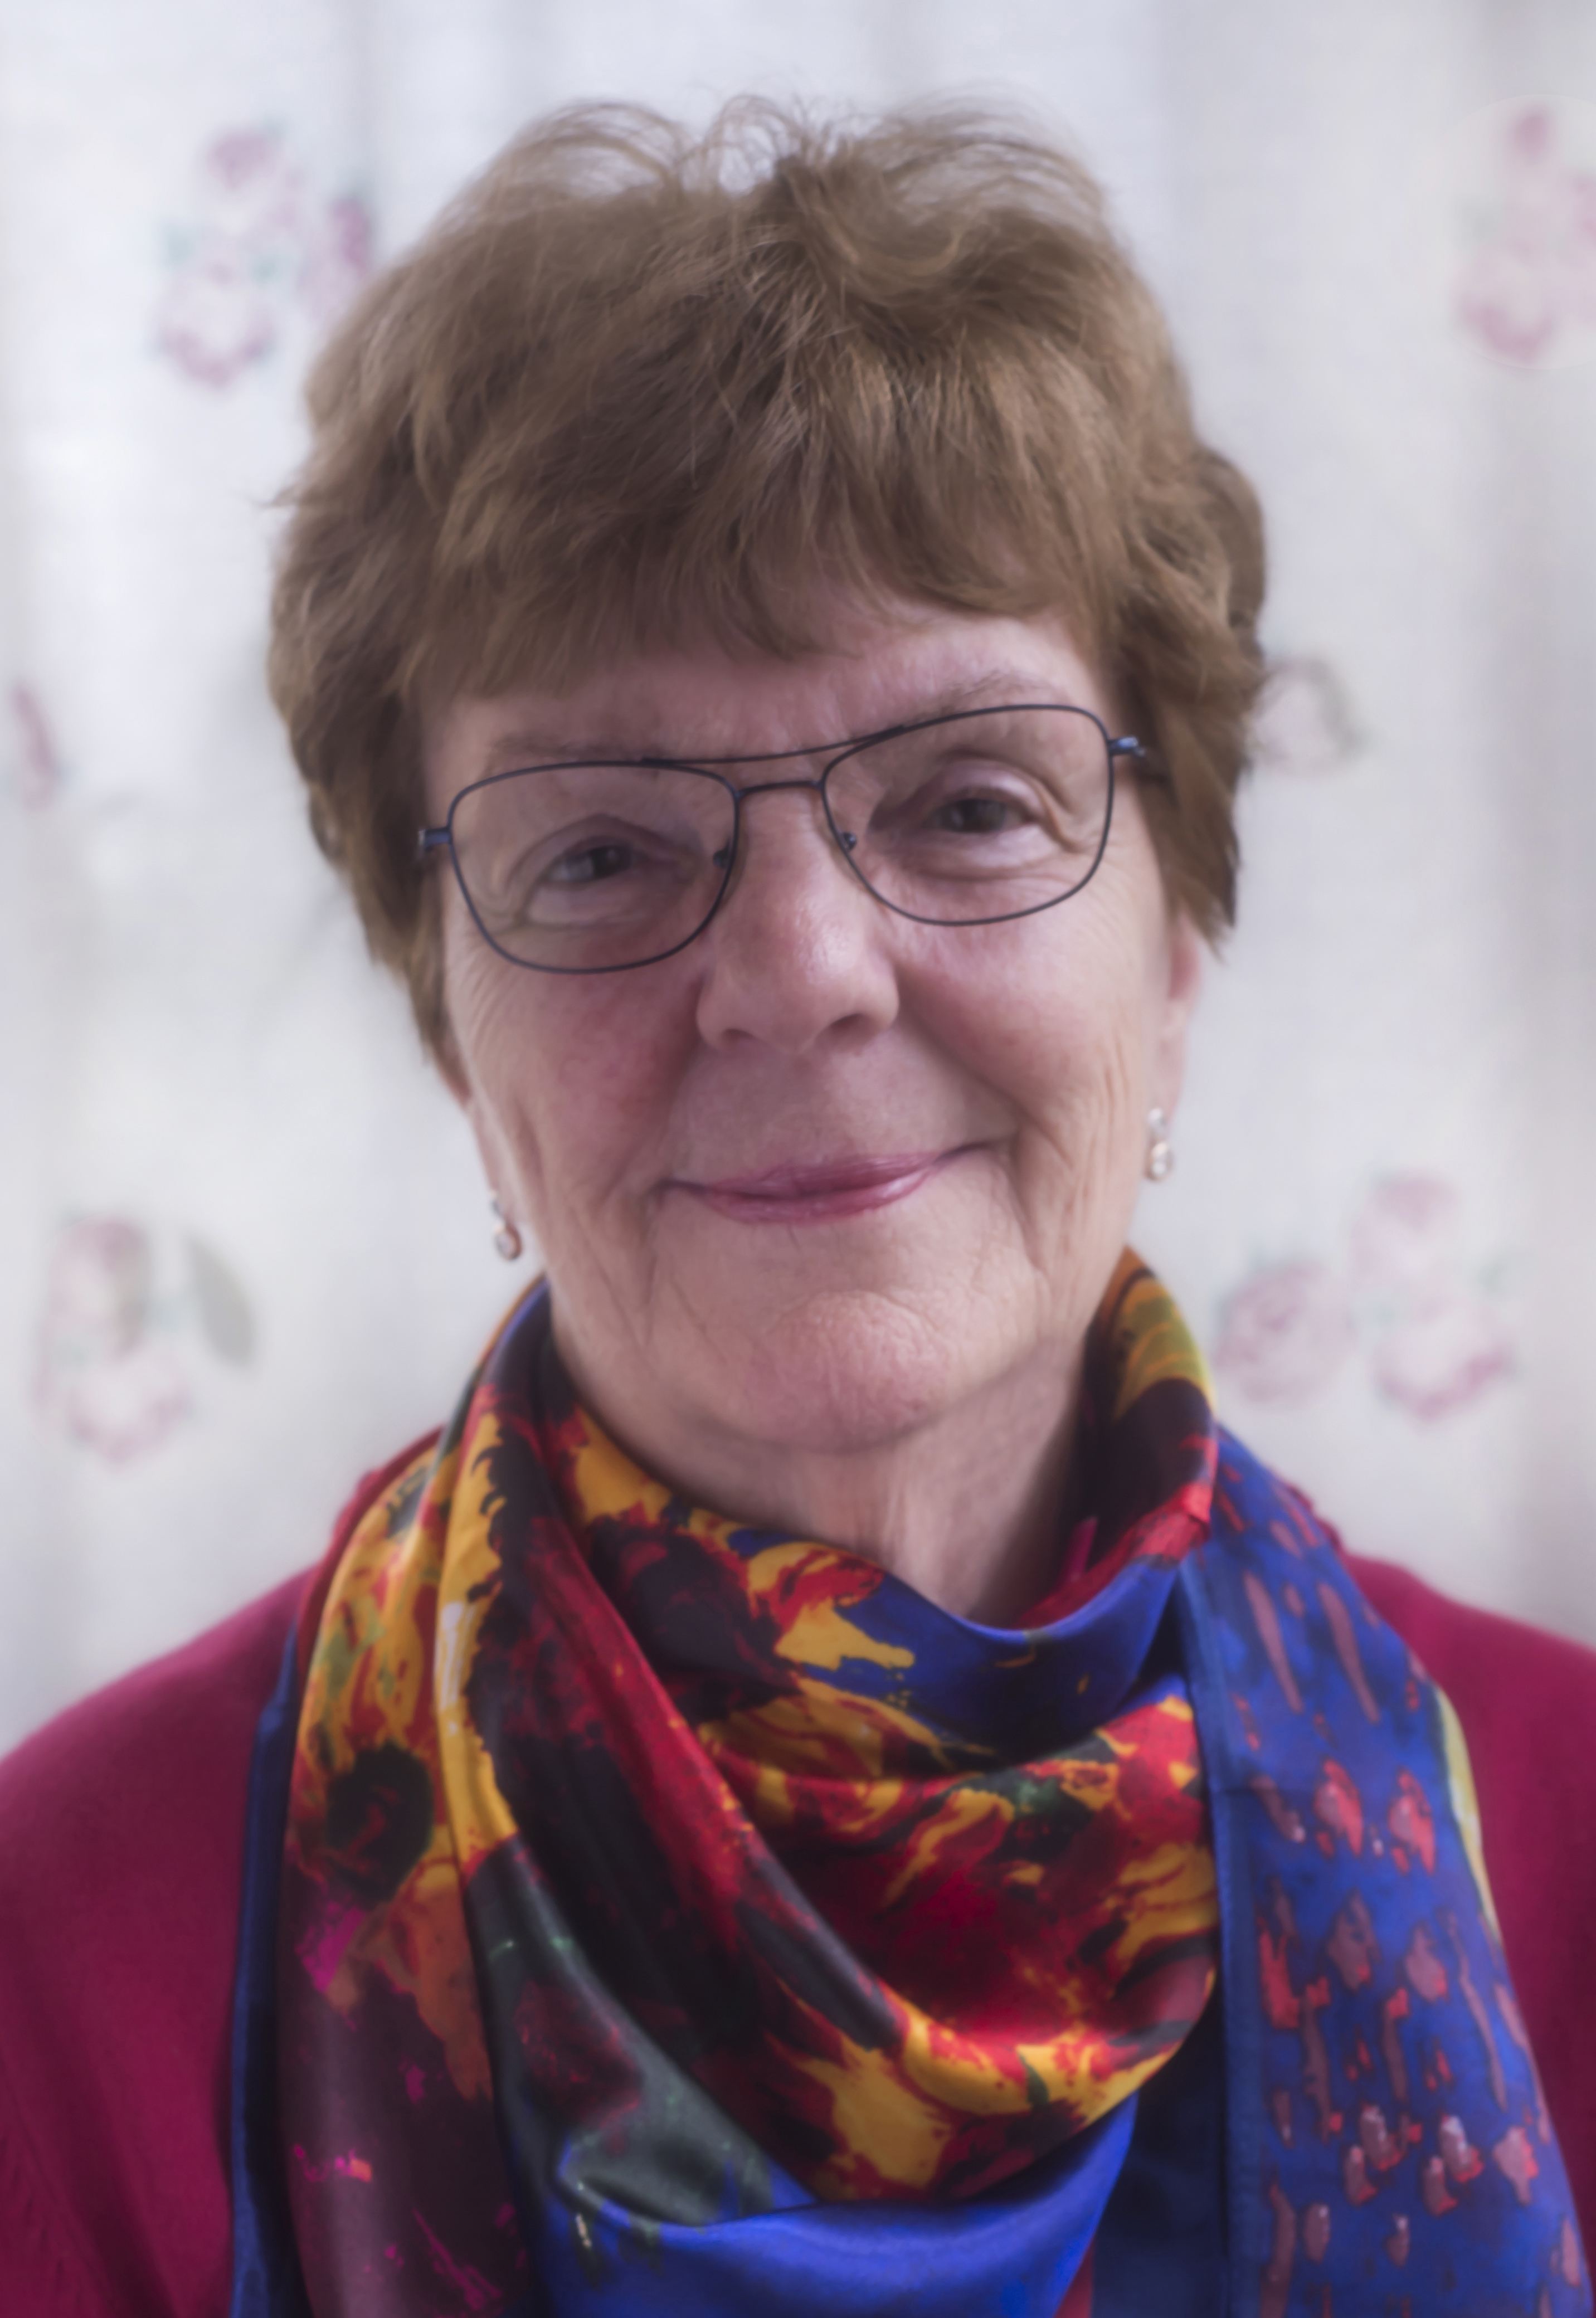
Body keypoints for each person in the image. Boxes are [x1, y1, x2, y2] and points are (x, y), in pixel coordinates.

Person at [1, 100, 1592, 2318]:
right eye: (600, 850)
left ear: (1174, 947)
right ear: (454, 1036)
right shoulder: (64, 1944)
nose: (801, 971)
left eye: (968, 803)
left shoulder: (1570, 1821)